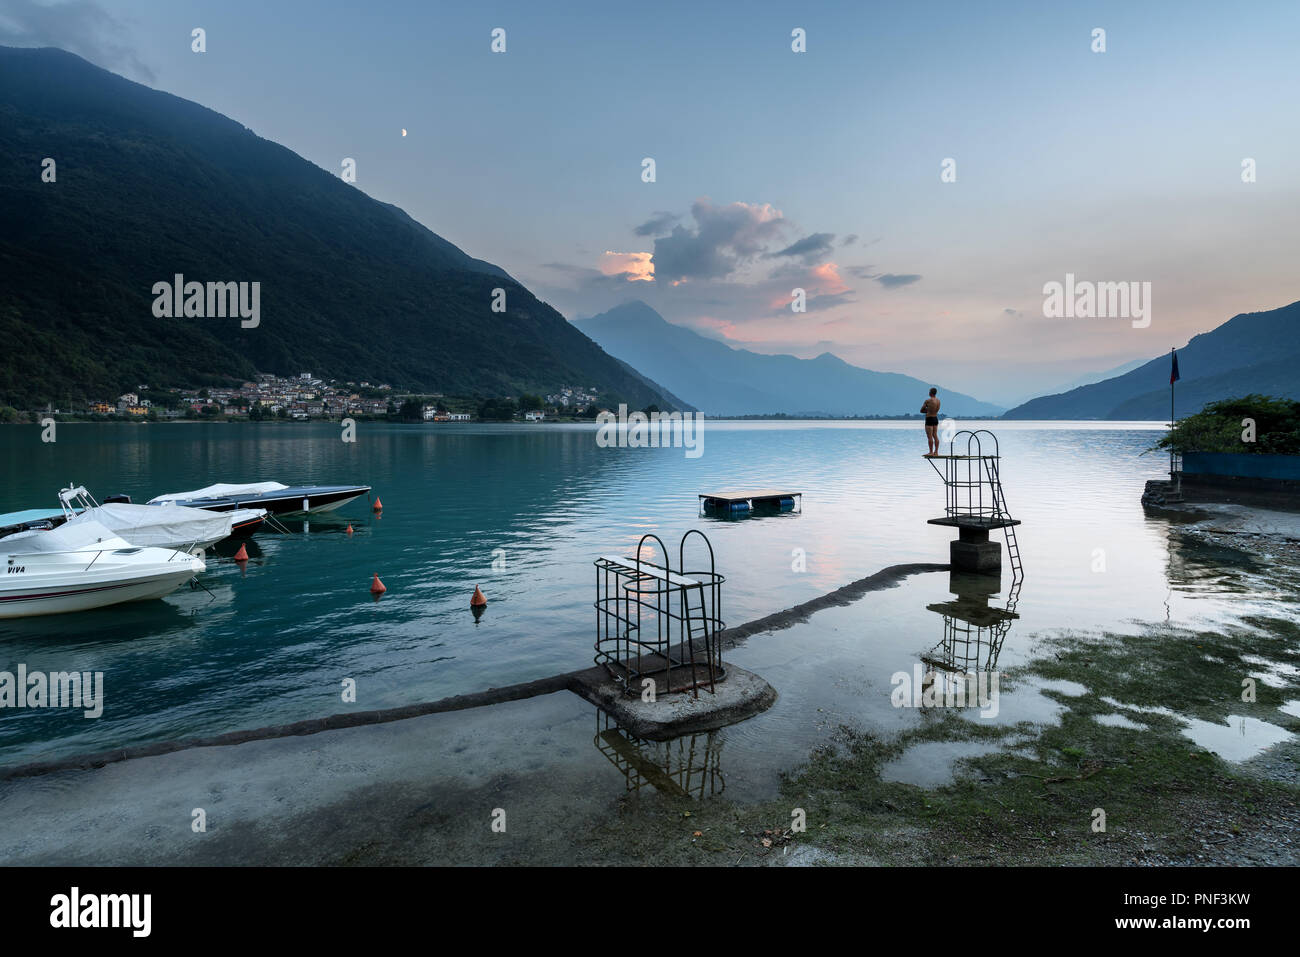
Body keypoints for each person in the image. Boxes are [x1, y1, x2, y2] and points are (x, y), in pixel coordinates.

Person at [920, 387, 940, 456]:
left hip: (929, 418)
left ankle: (931, 452)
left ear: (930, 393)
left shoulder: (928, 401)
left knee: (929, 436)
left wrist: (927, 410)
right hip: (935, 418)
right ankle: (936, 452)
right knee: (935, 435)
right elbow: (936, 410)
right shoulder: (938, 401)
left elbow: (921, 410)